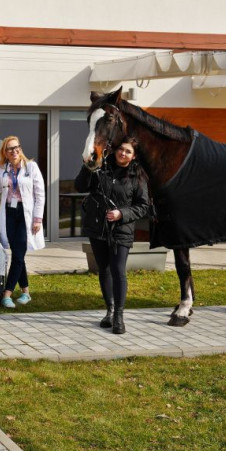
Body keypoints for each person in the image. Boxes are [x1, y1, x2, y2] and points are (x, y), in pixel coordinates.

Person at [75, 136, 150, 334]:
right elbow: (80, 186)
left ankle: (119, 315)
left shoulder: (138, 176)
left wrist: (121, 214)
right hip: (97, 229)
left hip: (121, 231)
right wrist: (87, 166)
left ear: (133, 156)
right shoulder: (101, 168)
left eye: (128, 152)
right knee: (104, 270)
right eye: (121, 149)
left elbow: (143, 207)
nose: (123, 153)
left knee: (118, 271)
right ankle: (109, 310)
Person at [0, 136, 46, 309]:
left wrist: (37, 219)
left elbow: (40, 194)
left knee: (18, 254)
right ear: (5, 153)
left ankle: (7, 293)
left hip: (25, 214)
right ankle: (26, 293)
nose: (14, 151)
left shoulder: (31, 167)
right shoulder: (3, 168)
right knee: (18, 253)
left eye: (17, 147)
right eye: (10, 149)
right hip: (9, 214)